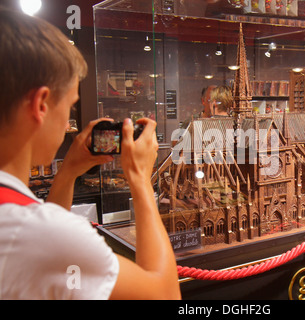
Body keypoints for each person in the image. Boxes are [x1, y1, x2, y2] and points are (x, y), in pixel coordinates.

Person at [0, 7, 181, 299]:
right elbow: (165, 295)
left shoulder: (25, 225)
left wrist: (69, 169)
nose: (70, 119)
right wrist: (140, 179)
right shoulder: (35, 232)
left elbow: (45, 238)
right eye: (71, 106)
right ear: (41, 105)